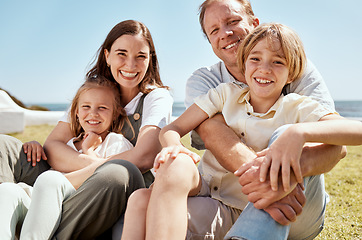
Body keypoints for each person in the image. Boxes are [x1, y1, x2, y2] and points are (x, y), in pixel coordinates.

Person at [120, 23, 362, 240]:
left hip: (246, 210)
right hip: (211, 191)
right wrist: (174, 145)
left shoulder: (297, 107)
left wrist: (298, 133)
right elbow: (173, 128)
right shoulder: (226, 93)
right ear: (244, 64)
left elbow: (355, 130)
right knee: (145, 194)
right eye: (255, 59)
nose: (264, 69)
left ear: (292, 72)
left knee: (144, 200)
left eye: (278, 62)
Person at [183, 0, 345, 239]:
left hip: (296, 206)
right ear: (209, 39)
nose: (225, 34)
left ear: (254, 23)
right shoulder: (207, 82)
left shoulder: (293, 66)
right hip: (226, 202)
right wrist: (267, 182)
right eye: (214, 30)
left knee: (286, 135)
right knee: (145, 217)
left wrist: (280, 183)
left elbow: (335, 144)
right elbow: (213, 132)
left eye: (233, 21)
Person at [0, 19, 173, 239]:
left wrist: (94, 171)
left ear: (150, 60)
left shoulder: (155, 97)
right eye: (121, 54)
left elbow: (144, 157)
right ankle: (9, 212)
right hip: (63, 180)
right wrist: (89, 164)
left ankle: (39, 226)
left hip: (109, 191)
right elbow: (53, 145)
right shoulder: (93, 91)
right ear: (107, 55)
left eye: (141, 56)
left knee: (119, 172)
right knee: (4, 146)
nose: (130, 65)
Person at [0, 76, 133, 239]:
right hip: (43, 206)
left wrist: (88, 150)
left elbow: (110, 180)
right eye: (86, 106)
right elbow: (49, 163)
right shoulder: (69, 143)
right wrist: (35, 146)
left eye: (102, 108)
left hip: (75, 209)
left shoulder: (116, 142)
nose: (93, 113)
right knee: (7, 191)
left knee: (50, 179)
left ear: (116, 113)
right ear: (76, 112)